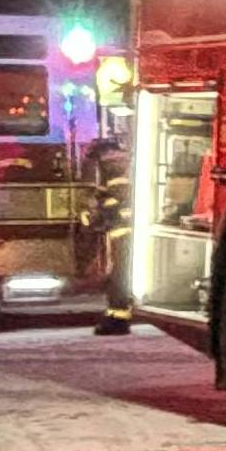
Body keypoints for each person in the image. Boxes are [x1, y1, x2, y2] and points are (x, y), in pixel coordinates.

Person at [86, 137, 135, 335]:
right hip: (122, 230)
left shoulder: (112, 169)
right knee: (118, 274)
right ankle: (117, 316)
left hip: (123, 232)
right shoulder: (118, 167)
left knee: (119, 275)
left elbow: (116, 201)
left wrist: (100, 218)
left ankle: (118, 319)